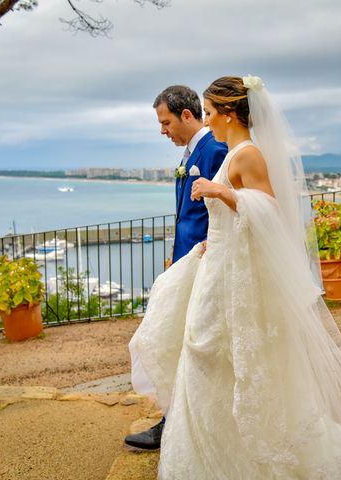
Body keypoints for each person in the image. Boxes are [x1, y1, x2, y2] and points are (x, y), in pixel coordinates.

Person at [129, 76, 341, 478]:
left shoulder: (247, 154)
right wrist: (211, 237)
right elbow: (236, 221)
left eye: (213, 112)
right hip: (217, 267)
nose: (209, 119)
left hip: (231, 278)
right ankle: (218, 454)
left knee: (213, 355)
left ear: (230, 113)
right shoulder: (234, 152)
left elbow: (270, 212)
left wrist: (224, 195)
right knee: (206, 357)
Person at [124, 85, 226, 450]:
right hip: (186, 259)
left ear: (186, 115)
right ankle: (178, 420)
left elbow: (223, 210)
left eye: (165, 122)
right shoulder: (191, 152)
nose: (162, 130)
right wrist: (175, 252)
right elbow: (188, 212)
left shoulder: (215, 149)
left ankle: (178, 424)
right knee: (179, 341)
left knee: (189, 343)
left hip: (205, 262)